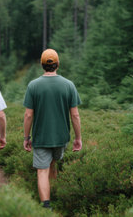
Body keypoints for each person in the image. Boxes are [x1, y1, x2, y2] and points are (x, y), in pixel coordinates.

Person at [23, 48, 82, 209]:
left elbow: (28, 116)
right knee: (53, 164)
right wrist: (78, 138)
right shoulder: (68, 85)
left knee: (42, 170)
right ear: (58, 64)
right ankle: (54, 197)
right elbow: (75, 115)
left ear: (42, 65)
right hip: (61, 137)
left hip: (41, 137)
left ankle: (46, 205)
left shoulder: (33, 85)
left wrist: (26, 138)